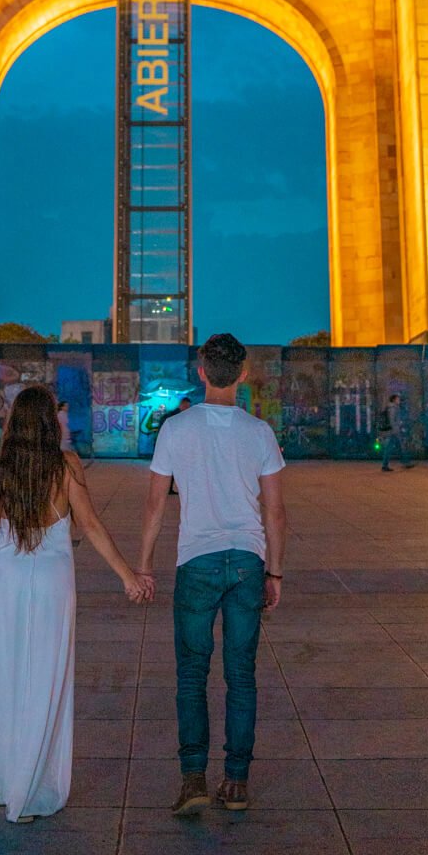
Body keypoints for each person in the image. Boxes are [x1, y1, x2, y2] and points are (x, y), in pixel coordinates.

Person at [0, 385, 148, 822]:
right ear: (51, 421)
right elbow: (91, 524)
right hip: (50, 581)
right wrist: (129, 576)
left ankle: (0, 783)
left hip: (5, 580)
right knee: (44, 680)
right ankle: (28, 791)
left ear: (13, 419)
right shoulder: (64, 466)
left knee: (2, 680)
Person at [138, 332, 287, 817]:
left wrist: (143, 565)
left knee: (191, 675)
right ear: (242, 374)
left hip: (196, 561)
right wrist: (275, 573)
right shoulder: (259, 433)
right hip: (247, 561)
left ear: (201, 371)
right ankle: (237, 782)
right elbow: (276, 512)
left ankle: (193, 779)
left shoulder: (177, 430)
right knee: (241, 675)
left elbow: (155, 506)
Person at [379, 387, 416, 471]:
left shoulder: (391, 407)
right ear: (394, 400)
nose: (399, 400)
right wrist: (395, 430)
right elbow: (392, 420)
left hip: (392, 431)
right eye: (398, 399)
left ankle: (402, 463)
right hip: (393, 431)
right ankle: (404, 463)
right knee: (395, 447)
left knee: (395, 447)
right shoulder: (392, 408)